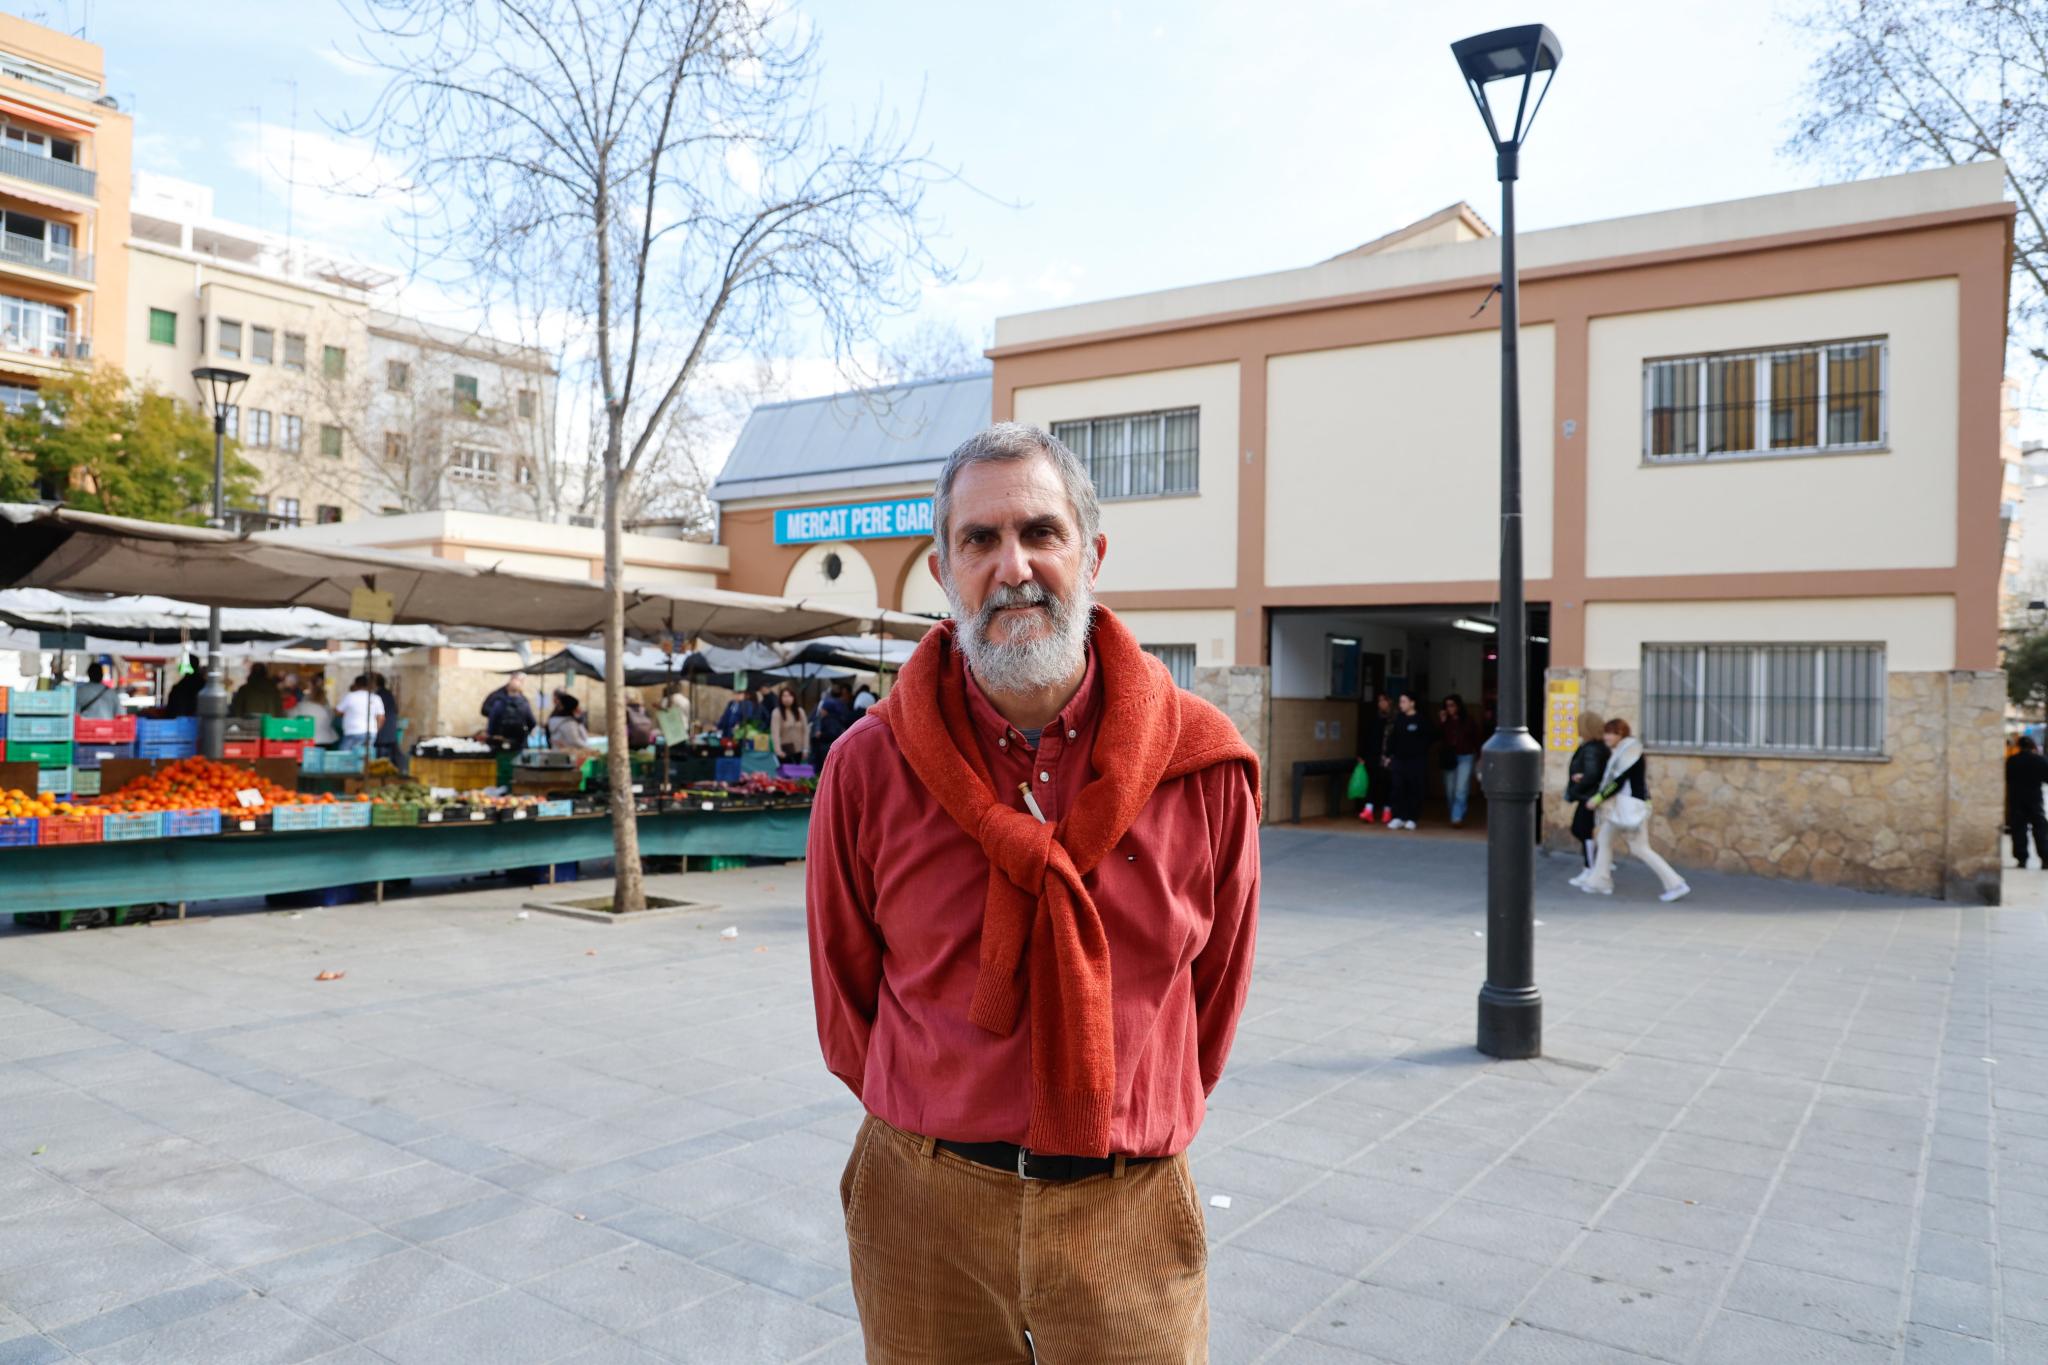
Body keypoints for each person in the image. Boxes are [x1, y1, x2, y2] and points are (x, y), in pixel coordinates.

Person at [807, 423, 1260, 1361]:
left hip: (1125, 1209)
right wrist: (940, 1110)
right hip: (922, 1209)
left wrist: (1129, 1108)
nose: (1012, 566)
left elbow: (1213, 997)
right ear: (944, 570)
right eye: (979, 540)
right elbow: (846, 1000)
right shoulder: (867, 769)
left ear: (1090, 555)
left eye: (1039, 533)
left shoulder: (1202, 766)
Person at [1575, 717, 1691, 901]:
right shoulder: (1623, 751)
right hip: (1624, 808)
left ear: (1620, 734)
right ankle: (1600, 882)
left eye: (1609, 733)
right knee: (1604, 839)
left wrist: (1597, 799)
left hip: (1629, 808)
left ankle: (1675, 884)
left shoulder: (1630, 752)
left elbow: (1618, 782)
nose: (1606, 737)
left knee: (1640, 849)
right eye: (1605, 733)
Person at [1564, 710, 1608, 870]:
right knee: (1583, 830)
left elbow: (1593, 773)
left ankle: (1591, 866)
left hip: (1588, 796)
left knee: (1581, 829)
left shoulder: (1591, 749)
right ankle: (1594, 864)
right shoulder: (1596, 746)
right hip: (1588, 795)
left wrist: (1577, 786)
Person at [1384, 693, 1432, 830]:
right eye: (1400, 702)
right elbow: (1393, 738)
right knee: (1397, 787)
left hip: (1416, 761)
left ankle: (1412, 817)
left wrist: (1420, 751)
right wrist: (1388, 755)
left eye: (1404, 701)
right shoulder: (1399, 719)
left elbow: (1430, 737)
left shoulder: (1421, 720)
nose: (1401, 704)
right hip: (1399, 760)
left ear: (1412, 703)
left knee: (1414, 788)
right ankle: (1397, 817)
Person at [1438, 693, 1483, 826]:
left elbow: (1476, 738)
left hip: (1466, 756)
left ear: (1458, 706)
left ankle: (1456, 817)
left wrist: (1480, 755)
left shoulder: (1468, 720)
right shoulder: (1445, 721)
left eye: (1452, 705)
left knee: (1461, 788)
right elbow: (1439, 737)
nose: (1449, 708)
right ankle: (1455, 812)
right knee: (1449, 789)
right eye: (1447, 706)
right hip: (1449, 757)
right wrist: (1442, 722)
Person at [2008, 734, 2048, 868]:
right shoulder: (2040, 760)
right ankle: (2045, 858)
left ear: (2019, 746)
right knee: (2040, 829)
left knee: (2018, 829)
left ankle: (2022, 859)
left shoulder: (2011, 761)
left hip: (2016, 799)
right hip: (2035, 799)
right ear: (2033, 746)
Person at [1359, 692, 1395, 825]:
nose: (1380, 704)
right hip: (1374, 756)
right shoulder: (1375, 719)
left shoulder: (1395, 719)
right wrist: (1363, 755)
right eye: (1379, 701)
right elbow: (1368, 737)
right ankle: (1368, 810)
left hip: (1389, 757)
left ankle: (1387, 811)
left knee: (1388, 784)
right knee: (1372, 782)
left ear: (1390, 701)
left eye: (1383, 701)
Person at [481, 671, 539, 752]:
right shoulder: (523, 704)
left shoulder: (500, 703)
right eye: (521, 681)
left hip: (508, 744)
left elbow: (491, 726)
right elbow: (532, 724)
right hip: (511, 744)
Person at [808, 683, 854, 768]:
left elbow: (832, 734)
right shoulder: (835, 718)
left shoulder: (829, 720)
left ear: (827, 710)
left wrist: (821, 735)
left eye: (823, 709)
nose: (821, 711)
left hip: (826, 749)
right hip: (828, 750)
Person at [287, 677, 339, 747]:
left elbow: (289, 716)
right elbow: (332, 720)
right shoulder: (327, 708)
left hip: (308, 741)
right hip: (328, 740)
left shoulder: (302, 706)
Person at [337, 675, 385, 750]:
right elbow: (381, 718)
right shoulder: (376, 698)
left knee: (345, 757)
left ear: (356, 684)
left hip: (352, 732)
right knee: (365, 757)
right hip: (370, 733)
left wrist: (347, 714)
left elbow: (338, 712)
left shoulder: (350, 696)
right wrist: (375, 730)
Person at [769, 687, 808, 762]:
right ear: (780, 698)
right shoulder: (777, 712)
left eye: (789, 696)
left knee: (798, 772)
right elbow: (775, 733)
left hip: (799, 750)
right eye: (784, 696)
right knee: (786, 773)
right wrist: (778, 750)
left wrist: (805, 749)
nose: (787, 698)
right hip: (785, 750)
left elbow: (805, 731)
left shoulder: (800, 711)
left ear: (794, 697)